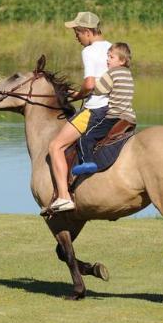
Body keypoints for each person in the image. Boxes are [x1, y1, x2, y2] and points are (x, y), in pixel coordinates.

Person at [47, 11, 111, 213]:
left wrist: (77, 95)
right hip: (115, 108)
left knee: (55, 146)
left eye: (77, 32)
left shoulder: (89, 51)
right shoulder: (113, 48)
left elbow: (90, 84)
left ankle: (64, 197)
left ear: (88, 31)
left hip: (95, 110)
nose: (76, 36)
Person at [72, 42, 136, 175]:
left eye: (111, 57)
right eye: (108, 56)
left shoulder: (112, 73)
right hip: (130, 116)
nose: (107, 60)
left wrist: (80, 91)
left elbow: (98, 90)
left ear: (122, 60)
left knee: (86, 137)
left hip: (115, 116)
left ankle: (87, 163)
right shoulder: (128, 74)